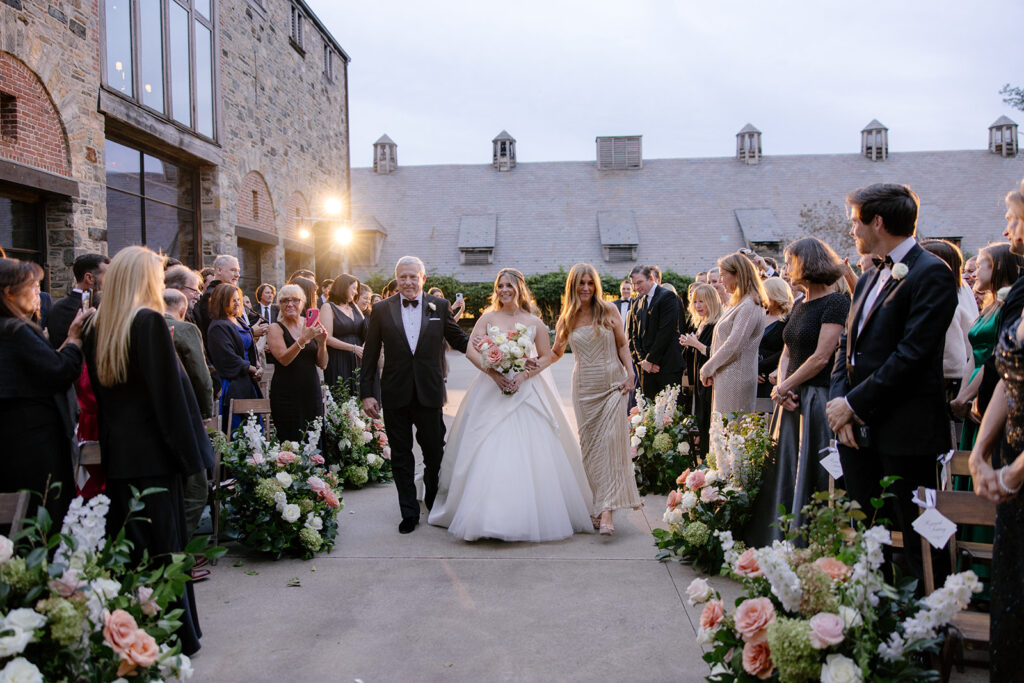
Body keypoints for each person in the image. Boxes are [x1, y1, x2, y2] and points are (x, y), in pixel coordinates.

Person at [81, 246, 210, 656]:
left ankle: (139, 632)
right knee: (166, 548)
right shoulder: (149, 322)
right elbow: (168, 399)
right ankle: (175, 635)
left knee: (135, 547)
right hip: (157, 456)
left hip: (121, 455)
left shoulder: (97, 326)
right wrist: (195, 459)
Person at [827, 183, 956, 585]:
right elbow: (847, 347)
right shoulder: (867, 276)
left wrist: (854, 405)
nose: (852, 231)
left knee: (924, 538)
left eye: (855, 222)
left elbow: (912, 356)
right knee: (869, 538)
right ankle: (874, 620)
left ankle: (934, 626)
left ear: (877, 222)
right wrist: (839, 407)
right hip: (857, 435)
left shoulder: (932, 273)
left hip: (907, 434)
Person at [428, 268, 592, 541]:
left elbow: (547, 356)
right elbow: (470, 349)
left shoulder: (533, 322)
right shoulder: (488, 318)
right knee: (486, 448)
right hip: (490, 389)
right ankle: (484, 517)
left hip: (526, 391)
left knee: (531, 451)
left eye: (509, 286)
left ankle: (526, 516)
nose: (504, 290)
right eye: (500, 286)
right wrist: (495, 374)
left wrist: (524, 374)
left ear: (519, 289)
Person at [747, 238, 849, 546]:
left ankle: (808, 540)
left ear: (807, 263)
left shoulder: (836, 303)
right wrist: (781, 388)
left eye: (790, 261)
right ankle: (777, 536)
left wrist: (785, 386)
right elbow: (788, 349)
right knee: (786, 467)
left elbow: (821, 356)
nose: (786, 268)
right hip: (789, 398)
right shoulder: (801, 303)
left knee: (811, 469)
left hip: (817, 398)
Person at [361, 257, 469, 533]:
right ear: (396, 279)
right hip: (395, 393)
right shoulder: (381, 309)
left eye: (413, 277)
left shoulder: (440, 306)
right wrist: (367, 394)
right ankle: (408, 511)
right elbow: (370, 355)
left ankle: (432, 501)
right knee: (401, 454)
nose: (408, 282)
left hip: (429, 392)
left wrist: (494, 352)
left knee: (434, 452)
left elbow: (459, 340)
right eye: (402, 277)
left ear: (423, 278)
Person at [967, 181, 1024, 679]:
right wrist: (983, 451)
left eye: (1015, 218)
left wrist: (1015, 471)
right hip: (1009, 454)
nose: (1008, 229)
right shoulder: (1022, 293)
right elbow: (1007, 371)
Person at [551, 263, 640, 535]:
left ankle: (607, 511)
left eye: (590, 283)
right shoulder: (567, 317)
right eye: (581, 283)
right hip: (584, 389)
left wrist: (631, 373)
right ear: (573, 286)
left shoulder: (609, 310)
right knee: (590, 449)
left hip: (613, 384)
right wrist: (526, 366)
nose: (587, 288)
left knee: (612, 444)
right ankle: (598, 504)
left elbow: (622, 345)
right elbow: (555, 353)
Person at [1, 258, 88, 524]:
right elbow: (57, 372)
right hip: (32, 443)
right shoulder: (16, 330)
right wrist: (74, 340)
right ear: (9, 292)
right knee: (41, 514)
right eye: (33, 286)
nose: (39, 293)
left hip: (13, 438)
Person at [951, 242, 1021, 447]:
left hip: (989, 389)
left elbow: (995, 355)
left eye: (980, 266)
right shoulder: (989, 307)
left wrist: (971, 395)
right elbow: (974, 355)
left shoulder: (1009, 307)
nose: (973, 274)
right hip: (973, 393)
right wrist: (962, 396)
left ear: (997, 266)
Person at [920, 240, 978, 437]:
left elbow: (952, 348)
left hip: (948, 379)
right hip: (961, 373)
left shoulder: (945, 292)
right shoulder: (961, 288)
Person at [700, 252, 767, 414]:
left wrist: (707, 368)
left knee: (731, 431)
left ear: (738, 275)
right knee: (721, 431)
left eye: (723, 275)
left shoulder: (749, 305)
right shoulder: (739, 303)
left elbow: (734, 344)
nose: (721, 280)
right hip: (725, 376)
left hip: (736, 379)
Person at [266, 283, 328, 442]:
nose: (290, 304)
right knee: (290, 440)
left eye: (295, 300)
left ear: (303, 303)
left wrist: (322, 344)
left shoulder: (310, 324)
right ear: (279, 305)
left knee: (314, 437)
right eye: (285, 301)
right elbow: (283, 359)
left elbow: (323, 364)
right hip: (286, 393)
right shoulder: (275, 328)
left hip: (310, 391)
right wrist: (304, 339)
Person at [206, 283, 263, 434]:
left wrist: (257, 365)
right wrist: (252, 369)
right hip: (233, 383)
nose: (238, 303)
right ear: (222, 301)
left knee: (255, 430)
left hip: (249, 381)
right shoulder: (218, 326)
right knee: (238, 431)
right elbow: (227, 358)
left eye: (238, 299)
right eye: (233, 300)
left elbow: (251, 349)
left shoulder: (241, 321)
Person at [629, 265, 683, 400]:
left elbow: (665, 332)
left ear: (651, 278)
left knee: (669, 415)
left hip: (667, 366)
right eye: (634, 284)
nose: (636, 287)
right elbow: (634, 335)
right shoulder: (637, 302)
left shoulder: (668, 297)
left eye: (639, 282)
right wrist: (643, 361)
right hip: (646, 370)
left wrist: (651, 360)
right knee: (648, 414)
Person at [679, 283, 721, 455]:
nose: (698, 306)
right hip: (697, 381)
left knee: (709, 422)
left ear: (711, 302)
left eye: (702, 301)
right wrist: (689, 343)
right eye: (695, 302)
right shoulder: (700, 324)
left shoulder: (716, 325)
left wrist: (696, 343)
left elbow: (716, 353)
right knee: (701, 420)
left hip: (711, 381)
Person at [48, 253, 108, 349]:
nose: (111, 280)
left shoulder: (56, 307)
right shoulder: (99, 308)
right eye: (107, 276)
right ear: (89, 278)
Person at [321, 273, 364, 394]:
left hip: (358, 358)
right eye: (354, 289)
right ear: (343, 287)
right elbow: (327, 338)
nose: (356, 292)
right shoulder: (328, 307)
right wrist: (353, 348)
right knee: (342, 394)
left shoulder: (354, 306)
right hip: (338, 357)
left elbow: (365, 328)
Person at [757, 277, 792, 399]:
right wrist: (753, 370)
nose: (762, 298)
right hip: (754, 375)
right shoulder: (760, 316)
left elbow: (785, 350)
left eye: (765, 294)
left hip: (774, 376)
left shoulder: (788, 319)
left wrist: (761, 366)